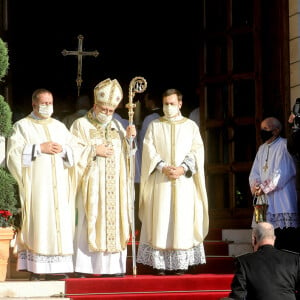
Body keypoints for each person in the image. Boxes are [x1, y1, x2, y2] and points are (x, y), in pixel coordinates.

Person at [6, 88, 81, 281]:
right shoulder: (22, 126)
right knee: (40, 223)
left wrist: (64, 150)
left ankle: (58, 267)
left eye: (50, 103)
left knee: (59, 223)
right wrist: (39, 148)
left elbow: (75, 149)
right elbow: (13, 154)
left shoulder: (59, 126)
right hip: (38, 188)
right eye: (44, 103)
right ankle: (37, 269)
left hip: (60, 186)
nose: (48, 107)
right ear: (34, 104)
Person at [137, 88, 209, 275]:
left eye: (171, 104)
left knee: (182, 219)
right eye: (165, 104)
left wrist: (183, 168)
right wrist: (162, 166)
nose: (168, 107)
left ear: (180, 104)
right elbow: (149, 150)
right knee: (161, 218)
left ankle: (181, 263)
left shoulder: (190, 126)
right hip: (161, 180)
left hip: (183, 182)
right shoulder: (155, 125)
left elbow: (197, 151)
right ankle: (160, 264)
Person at [70, 78, 136, 277]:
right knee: (88, 221)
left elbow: (129, 157)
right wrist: (93, 150)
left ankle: (113, 268)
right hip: (91, 186)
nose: (107, 114)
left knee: (115, 222)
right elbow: (71, 152)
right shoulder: (80, 125)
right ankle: (85, 267)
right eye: (103, 109)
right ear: (94, 105)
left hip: (115, 187)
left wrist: (129, 140)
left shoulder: (117, 124)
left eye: (110, 110)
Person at [249, 117, 300, 252]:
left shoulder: (284, 145)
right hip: (265, 200)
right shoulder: (261, 149)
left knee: (284, 238)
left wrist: (264, 188)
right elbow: (254, 172)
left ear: (276, 130)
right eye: (261, 129)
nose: (262, 132)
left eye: (266, 129)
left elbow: (282, 172)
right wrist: (256, 186)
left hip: (282, 199)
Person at [226, 222, 300, 300]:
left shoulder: (243, 262)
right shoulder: (294, 259)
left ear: (254, 239)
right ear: (274, 238)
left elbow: (238, 296)